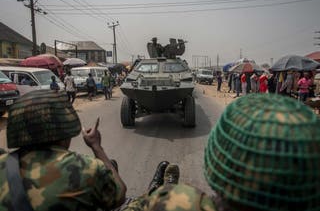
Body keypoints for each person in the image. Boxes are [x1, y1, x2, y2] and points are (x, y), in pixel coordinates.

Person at [122, 94, 320, 211]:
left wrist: (160, 195)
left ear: (217, 163)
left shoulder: (181, 203)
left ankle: (153, 190)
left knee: (149, 201)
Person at [0, 90, 126, 210]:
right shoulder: (86, 168)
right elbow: (119, 195)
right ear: (65, 130)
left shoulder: (3, 163)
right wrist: (96, 146)